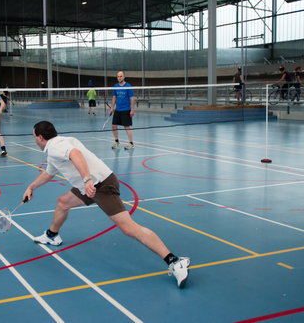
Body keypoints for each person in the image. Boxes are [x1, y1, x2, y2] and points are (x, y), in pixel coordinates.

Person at [24, 121, 190, 288]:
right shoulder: (57, 147)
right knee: (63, 202)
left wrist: (87, 179)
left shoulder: (55, 146)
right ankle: (52, 235)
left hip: (100, 185)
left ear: (40, 137)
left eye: (34, 137)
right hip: (89, 187)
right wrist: (31, 187)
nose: (34, 140)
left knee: (129, 228)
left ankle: (175, 261)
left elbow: (75, 154)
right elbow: (49, 173)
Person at [110, 71, 135, 149]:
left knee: (126, 127)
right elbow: (114, 97)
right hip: (118, 110)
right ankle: (117, 142)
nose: (119, 78)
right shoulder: (115, 86)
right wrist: (112, 108)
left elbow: (132, 98)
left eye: (121, 76)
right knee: (113, 126)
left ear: (124, 77)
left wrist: (132, 109)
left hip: (126, 110)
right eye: (118, 76)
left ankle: (131, 143)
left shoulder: (128, 86)